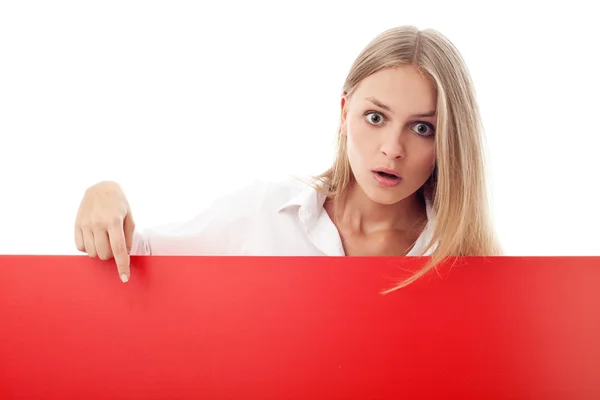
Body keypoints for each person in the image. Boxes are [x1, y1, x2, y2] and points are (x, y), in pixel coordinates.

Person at [74, 25, 502, 292]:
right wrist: (105, 196)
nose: (393, 148)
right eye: (376, 117)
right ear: (344, 114)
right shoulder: (263, 214)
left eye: (422, 127)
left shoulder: (468, 261)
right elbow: (137, 257)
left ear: (448, 140)